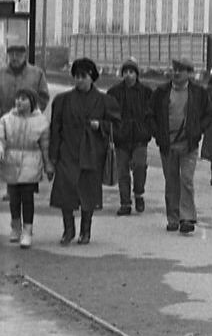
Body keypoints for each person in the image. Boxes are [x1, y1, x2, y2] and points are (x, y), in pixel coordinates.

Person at [49, 58, 121, 245]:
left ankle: (85, 231)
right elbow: (55, 129)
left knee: (88, 194)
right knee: (65, 192)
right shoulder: (62, 101)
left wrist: (101, 126)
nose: (79, 80)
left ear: (92, 77)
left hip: (92, 154)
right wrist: (53, 157)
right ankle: (68, 230)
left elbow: (117, 126)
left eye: (83, 76)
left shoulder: (105, 101)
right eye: (76, 76)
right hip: (68, 152)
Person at [147, 57, 209, 235]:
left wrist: (198, 131)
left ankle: (187, 218)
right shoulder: (161, 92)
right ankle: (173, 218)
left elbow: (207, 114)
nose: (176, 72)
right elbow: (150, 114)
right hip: (168, 144)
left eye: (181, 70)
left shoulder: (198, 93)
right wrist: (157, 134)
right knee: (171, 181)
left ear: (189, 73)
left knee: (186, 180)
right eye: (174, 69)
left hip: (189, 144)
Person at [0, 88, 52, 249]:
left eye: (23, 99)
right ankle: (16, 226)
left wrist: (48, 165)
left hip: (31, 162)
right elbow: (1, 138)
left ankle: (28, 231)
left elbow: (45, 146)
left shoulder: (41, 121)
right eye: (17, 99)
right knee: (14, 198)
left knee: (27, 198)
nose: (19, 102)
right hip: (11, 162)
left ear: (32, 101)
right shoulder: (6, 119)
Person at [0, 36, 50, 202]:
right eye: (11, 53)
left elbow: (43, 96)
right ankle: (9, 187)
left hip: (29, 123)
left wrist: (34, 113)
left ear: (25, 54)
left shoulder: (36, 74)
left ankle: (25, 188)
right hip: (5, 122)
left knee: (26, 155)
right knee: (6, 154)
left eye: (18, 53)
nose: (14, 57)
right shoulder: (1, 73)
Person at [107, 57, 153, 216]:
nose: (128, 75)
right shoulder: (114, 92)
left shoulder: (146, 92)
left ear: (137, 74)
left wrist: (148, 129)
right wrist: (114, 132)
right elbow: (109, 114)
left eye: (131, 72)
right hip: (121, 137)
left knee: (140, 166)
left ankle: (139, 193)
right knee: (122, 171)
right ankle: (125, 203)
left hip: (140, 136)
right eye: (125, 72)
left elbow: (152, 113)